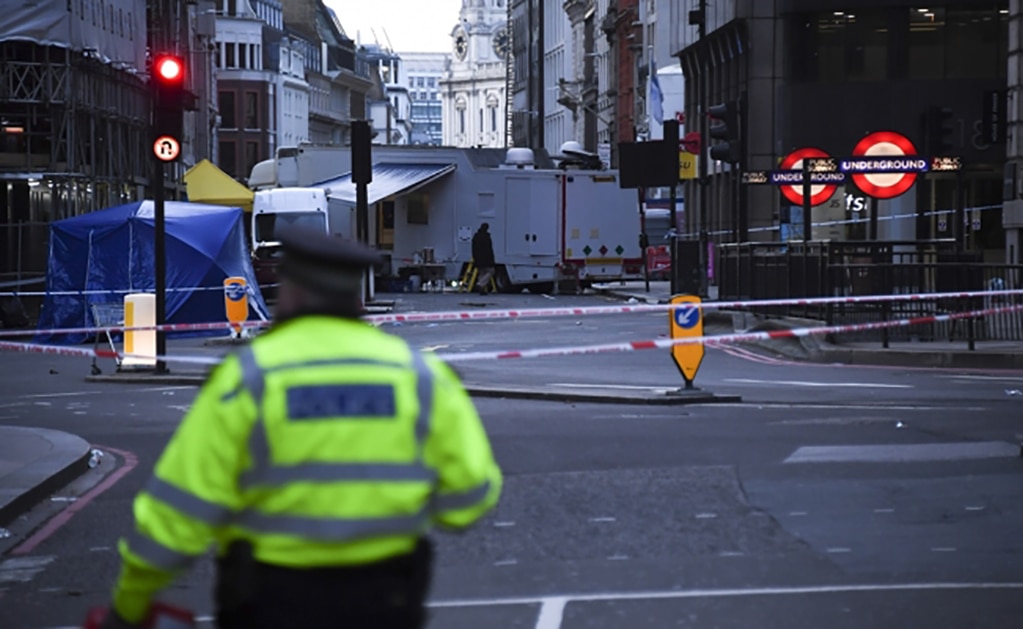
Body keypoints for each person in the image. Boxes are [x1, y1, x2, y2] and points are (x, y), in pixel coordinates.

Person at [100, 226, 503, 629]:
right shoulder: (419, 377)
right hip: (386, 599)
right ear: (355, 295)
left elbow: (176, 513)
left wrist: (130, 603)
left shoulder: (249, 379)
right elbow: (470, 497)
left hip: (270, 602)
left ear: (291, 291)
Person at [470, 222, 496, 295]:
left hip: (478, 259)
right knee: (491, 272)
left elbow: (473, 249)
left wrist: (475, 258)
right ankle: (480, 284)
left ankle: (482, 289)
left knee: (481, 273)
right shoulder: (486, 237)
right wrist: (492, 259)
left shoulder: (476, 237)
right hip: (486, 259)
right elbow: (489, 250)